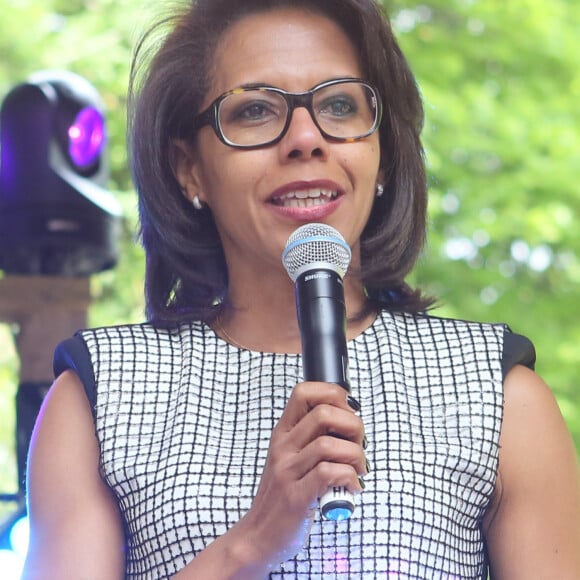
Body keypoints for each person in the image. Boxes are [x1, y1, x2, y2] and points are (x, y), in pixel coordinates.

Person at [22, 0, 580, 578]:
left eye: (339, 105)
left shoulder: (495, 391)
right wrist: (256, 539)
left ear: (382, 153)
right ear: (190, 169)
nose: (306, 138)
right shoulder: (100, 396)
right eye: (257, 111)